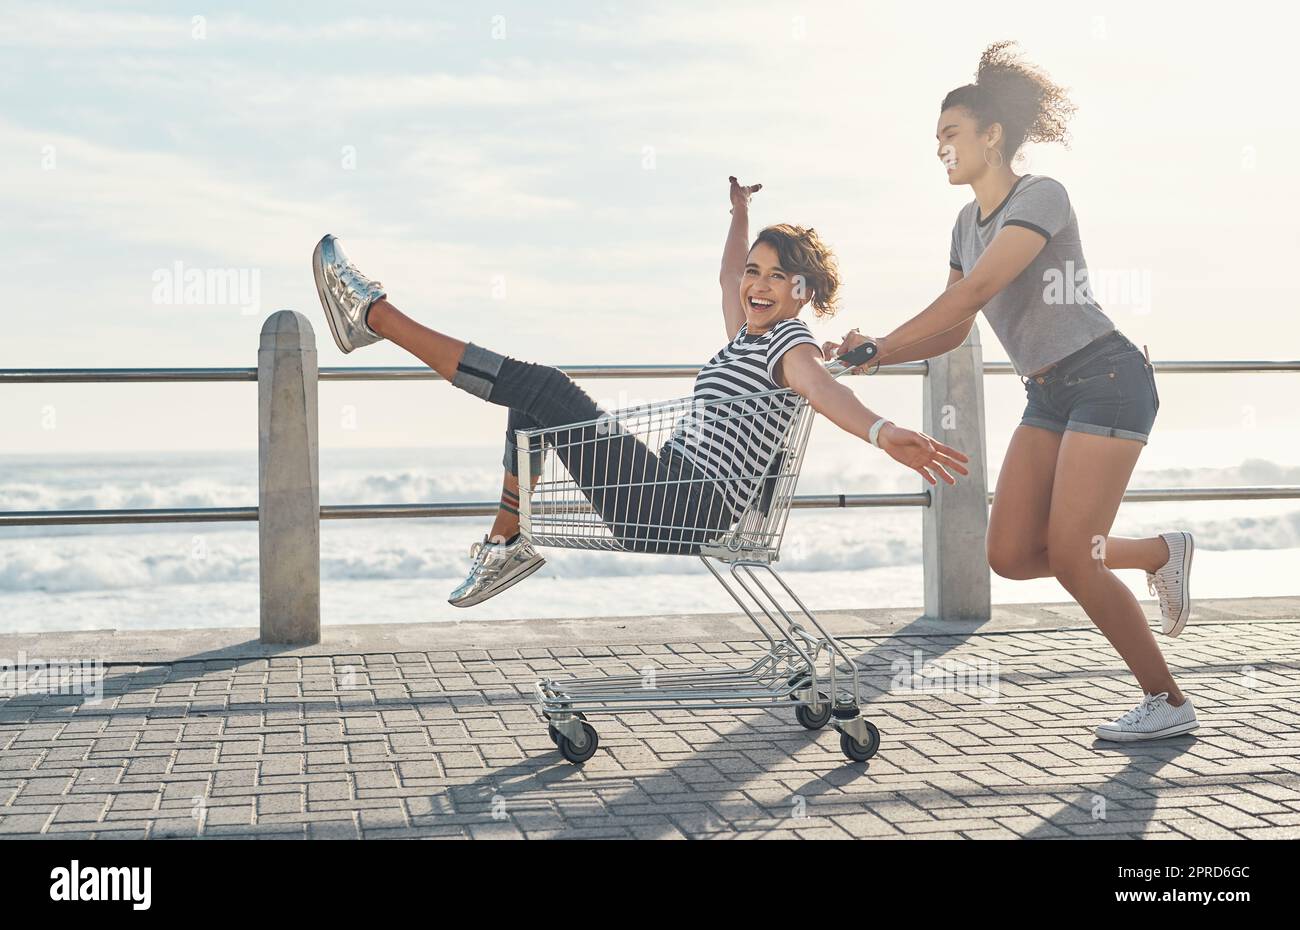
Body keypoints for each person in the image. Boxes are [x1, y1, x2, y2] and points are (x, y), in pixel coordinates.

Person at [311, 177, 968, 607]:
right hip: (667, 491)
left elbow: (825, 393)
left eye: (777, 276)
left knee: (546, 387)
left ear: (805, 292)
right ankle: (505, 543)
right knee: (533, 400)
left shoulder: (787, 347)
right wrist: (741, 213)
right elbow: (723, 274)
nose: (756, 283)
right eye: (754, 273)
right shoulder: (747, 335)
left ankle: (373, 315)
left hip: (685, 502)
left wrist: (883, 434)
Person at [829, 42, 1196, 742]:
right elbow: (953, 324)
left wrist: (883, 346)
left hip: (1107, 380)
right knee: (1011, 554)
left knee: (1071, 556)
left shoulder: (1041, 195)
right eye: (935, 137)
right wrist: (873, 354)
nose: (940, 146)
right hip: (1049, 394)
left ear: (992, 135)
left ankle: (1169, 702)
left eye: (951, 133)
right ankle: (1157, 552)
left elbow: (981, 287)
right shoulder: (964, 225)